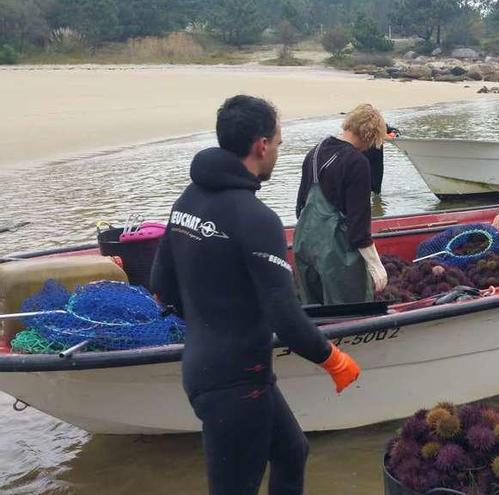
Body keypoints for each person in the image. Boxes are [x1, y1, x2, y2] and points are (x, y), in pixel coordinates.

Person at [151, 95, 361, 495]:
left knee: (291, 451)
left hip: (208, 365)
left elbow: (162, 283)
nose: (278, 152)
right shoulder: (256, 218)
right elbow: (285, 314)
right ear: (261, 145)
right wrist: (332, 359)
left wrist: (212, 317)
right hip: (235, 382)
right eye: (279, 143)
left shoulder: (187, 201)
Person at [294, 103, 388, 305]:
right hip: (338, 256)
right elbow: (358, 225)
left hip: (304, 247)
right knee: (349, 314)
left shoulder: (313, 153)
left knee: (315, 313)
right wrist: (376, 266)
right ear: (371, 136)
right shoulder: (357, 162)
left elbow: (300, 207)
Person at [362, 123, 400, 195]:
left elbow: (395, 131)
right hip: (362, 159)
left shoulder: (379, 124)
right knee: (363, 188)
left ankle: (377, 204)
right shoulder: (358, 125)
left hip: (377, 162)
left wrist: (393, 134)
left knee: (377, 191)